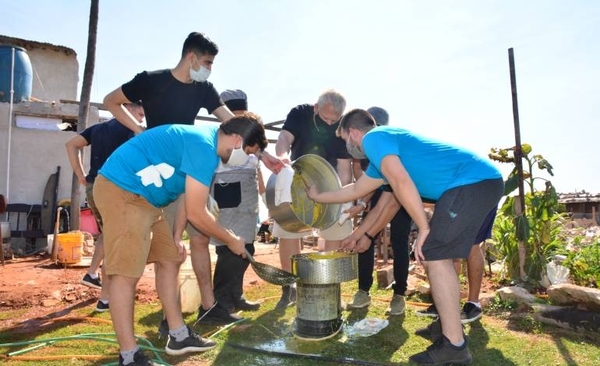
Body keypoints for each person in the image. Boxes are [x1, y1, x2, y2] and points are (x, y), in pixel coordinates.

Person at [103, 32, 284, 326]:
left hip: (189, 172)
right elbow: (110, 101)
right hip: (157, 174)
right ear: (191, 57)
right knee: (169, 252)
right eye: (207, 62)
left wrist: (264, 155)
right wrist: (139, 130)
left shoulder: (203, 89)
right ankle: (169, 319)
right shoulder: (150, 80)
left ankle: (209, 307)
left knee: (198, 239)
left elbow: (234, 125)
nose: (209, 69)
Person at [307, 108, 503, 365]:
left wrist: (423, 227)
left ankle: (454, 346)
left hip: (471, 183)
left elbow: (400, 182)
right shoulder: (380, 160)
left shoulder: (375, 137)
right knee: (437, 255)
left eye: (345, 139)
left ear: (353, 133)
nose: (347, 146)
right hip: (473, 184)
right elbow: (356, 189)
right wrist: (318, 196)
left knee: (434, 253)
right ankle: (447, 328)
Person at [94, 114, 268, 366]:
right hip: (122, 189)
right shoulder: (204, 147)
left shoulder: (206, 146)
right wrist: (231, 239)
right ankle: (129, 356)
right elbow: (198, 213)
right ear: (238, 140)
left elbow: (188, 198)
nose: (249, 158)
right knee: (125, 274)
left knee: (170, 258)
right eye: (250, 152)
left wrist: (176, 236)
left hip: (148, 201)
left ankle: (178, 335)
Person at [273, 88, 353, 309]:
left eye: (334, 120)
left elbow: (345, 169)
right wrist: (281, 157)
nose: (329, 124)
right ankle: (289, 288)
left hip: (331, 183)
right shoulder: (300, 113)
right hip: (298, 179)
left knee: (334, 232)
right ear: (316, 108)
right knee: (288, 231)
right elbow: (284, 138)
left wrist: (341, 194)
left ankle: (328, 285)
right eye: (325, 118)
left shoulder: (342, 127)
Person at [65, 102, 145, 313]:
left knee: (108, 235)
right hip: (114, 189)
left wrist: (81, 175)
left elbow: (71, 144)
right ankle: (105, 298)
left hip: (94, 187)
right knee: (114, 241)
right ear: (127, 107)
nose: (141, 119)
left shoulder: (99, 128)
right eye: (140, 113)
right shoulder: (130, 130)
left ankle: (93, 275)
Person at [343, 107, 413, 316]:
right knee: (366, 241)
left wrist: (363, 202)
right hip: (372, 192)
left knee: (400, 240)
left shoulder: (389, 142)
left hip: (399, 193)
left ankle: (399, 294)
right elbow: (360, 174)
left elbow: (396, 177)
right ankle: (363, 291)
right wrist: (364, 203)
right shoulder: (360, 146)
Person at [209, 89, 263, 313]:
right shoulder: (220, 133)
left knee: (246, 247)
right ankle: (221, 301)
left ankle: (236, 295)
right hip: (226, 187)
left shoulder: (251, 128)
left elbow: (257, 158)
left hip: (247, 190)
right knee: (228, 249)